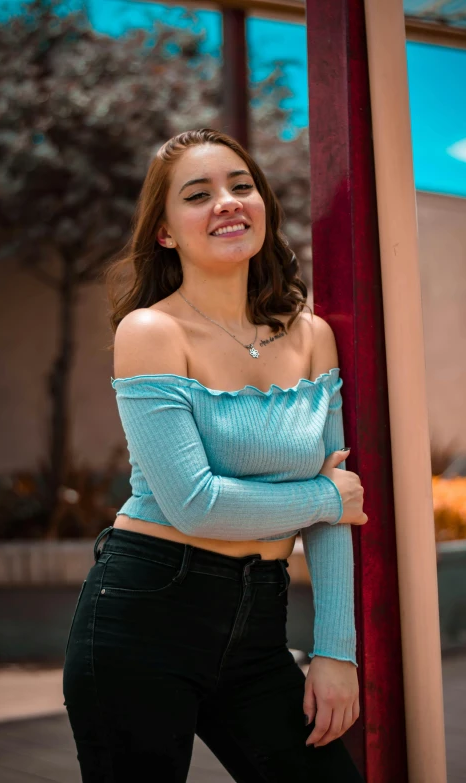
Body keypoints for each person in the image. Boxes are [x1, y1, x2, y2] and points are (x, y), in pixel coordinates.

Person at [63, 127, 368, 782]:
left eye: (241, 186)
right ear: (166, 232)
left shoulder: (312, 335)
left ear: (262, 206)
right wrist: (321, 495)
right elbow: (195, 503)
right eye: (198, 194)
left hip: (259, 619)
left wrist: (336, 652)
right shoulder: (152, 330)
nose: (227, 202)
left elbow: (338, 509)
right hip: (146, 611)